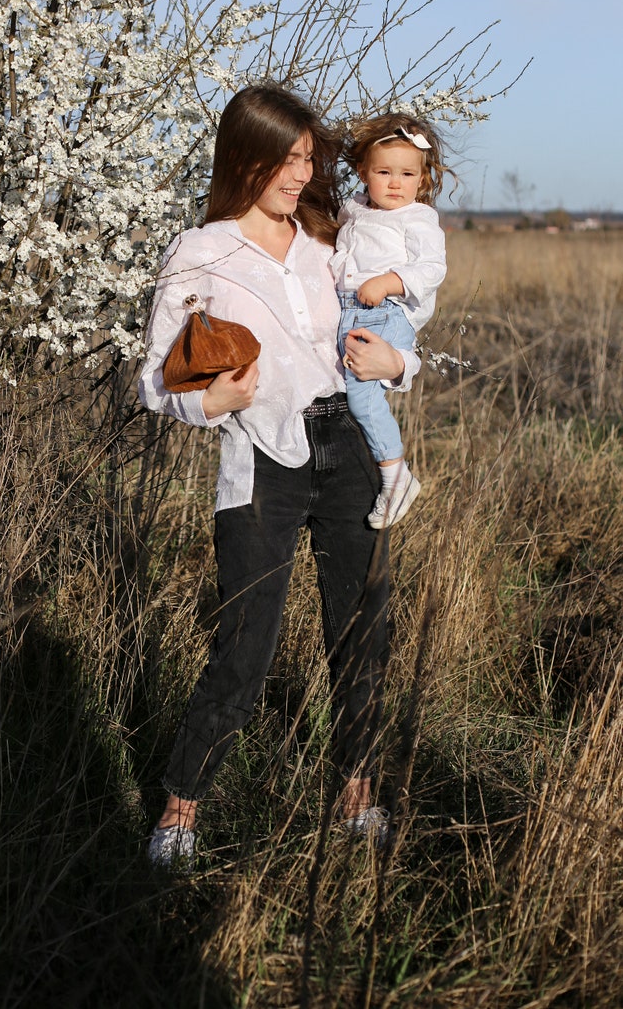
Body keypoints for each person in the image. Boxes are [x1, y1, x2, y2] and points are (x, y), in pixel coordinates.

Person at [138, 83, 420, 868]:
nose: (300, 174)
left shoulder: (333, 242)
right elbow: (152, 381)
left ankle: (356, 795)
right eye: (285, 159)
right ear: (245, 157)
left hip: (351, 450)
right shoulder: (202, 252)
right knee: (245, 643)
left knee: (362, 629)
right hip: (260, 453)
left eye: (308, 158)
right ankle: (179, 811)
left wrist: (400, 364)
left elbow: (392, 333)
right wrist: (209, 403)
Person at [331, 113, 449, 528]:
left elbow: (433, 268)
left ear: (422, 178)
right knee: (347, 389)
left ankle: (396, 474)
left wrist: (390, 281)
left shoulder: (417, 218)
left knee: (362, 396)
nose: (395, 183)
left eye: (406, 173)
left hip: (386, 312)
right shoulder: (354, 210)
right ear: (363, 172)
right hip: (352, 311)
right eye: (384, 172)